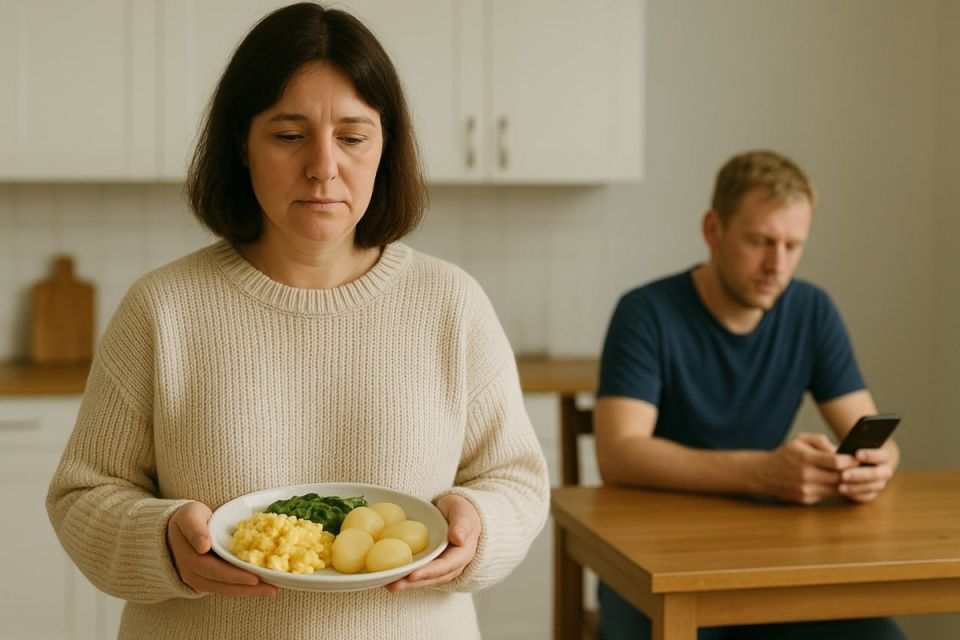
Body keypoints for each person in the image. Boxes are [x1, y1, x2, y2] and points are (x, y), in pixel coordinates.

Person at [46, 4, 549, 639]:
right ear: (242, 144)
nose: (323, 166)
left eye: (353, 136)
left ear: (386, 147)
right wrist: (161, 542)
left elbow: (517, 482)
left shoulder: (452, 304)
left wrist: (477, 523)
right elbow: (82, 497)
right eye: (288, 135)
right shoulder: (161, 309)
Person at [593, 150, 905, 640]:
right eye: (761, 241)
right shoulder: (645, 313)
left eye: (792, 245)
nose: (776, 265)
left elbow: (870, 433)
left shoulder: (812, 311)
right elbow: (618, 454)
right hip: (653, 564)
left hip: (771, 564)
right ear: (713, 230)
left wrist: (877, 464)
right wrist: (762, 472)